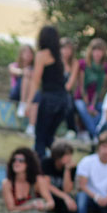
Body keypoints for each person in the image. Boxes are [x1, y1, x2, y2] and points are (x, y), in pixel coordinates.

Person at [25, 26, 67, 157]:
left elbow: (35, 80)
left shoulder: (42, 55)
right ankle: (62, 159)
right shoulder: (60, 56)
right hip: (63, 101)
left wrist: (29, 103)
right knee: (49, 138)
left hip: (49, 100)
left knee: (41, 137)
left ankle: (40, 166)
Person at [73, 38, 107, 145]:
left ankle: (93, 134)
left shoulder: (105, 68)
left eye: (100, 50)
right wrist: (88, 105)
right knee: (82, 108)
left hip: (95, 99)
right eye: (95, 50)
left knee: (102, 111)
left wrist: (92, 106)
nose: (97, 53)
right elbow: (82, 86)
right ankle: (96, 135)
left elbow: (99, 90)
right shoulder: (83, 64)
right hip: (82, 98)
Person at [41, 140, 77, 213]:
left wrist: (67, 170)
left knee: (70, 205)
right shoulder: (46, 162)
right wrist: (65, 197)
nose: (69, 158)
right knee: (45, 203)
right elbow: (46, 185)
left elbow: (67, 189)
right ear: (58, 156)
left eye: (70, 154)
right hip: (47, 194)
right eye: (67, 155)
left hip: (61, 198)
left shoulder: (71, 168)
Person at [59, 37, 79, 139]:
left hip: (67, 92)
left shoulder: (74, 63)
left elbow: (70, 84)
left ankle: (71, 129)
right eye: (64, 48)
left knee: (68, 101)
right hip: (55, 90)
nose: (66, 51)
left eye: (69, 48)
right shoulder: (55, 61)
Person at [8, 44, 35, 119]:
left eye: (30, 52)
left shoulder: (35, 68)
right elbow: (13, 70)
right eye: (26, 52)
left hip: (30, 94)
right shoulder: (13, 65)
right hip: (16, 93)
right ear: (21, 54)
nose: (28, 54)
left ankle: (25, 104)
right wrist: (24, 72)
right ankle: (22, 104)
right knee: (26, 76)